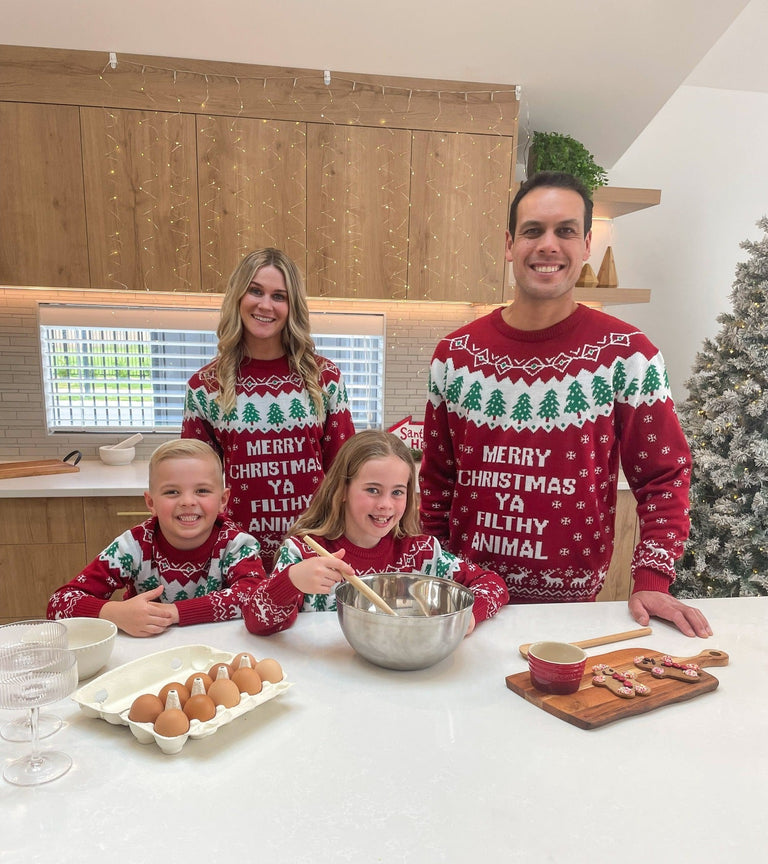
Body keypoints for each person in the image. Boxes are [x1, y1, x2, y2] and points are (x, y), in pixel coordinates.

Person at [419, 171, 712, 639]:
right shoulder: (455, 355)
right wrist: (429, 572)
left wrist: (652, 580)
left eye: (566, 231)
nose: (548, 245)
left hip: (570, 612)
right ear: (510, 244)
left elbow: (664, 474)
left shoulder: (628, 354)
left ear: (587, 244)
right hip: (463, 600)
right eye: (533, 230)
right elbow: (437, 479)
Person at [181, 248, 355, 571]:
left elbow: (344, 475)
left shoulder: (325, 378)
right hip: (237, 557)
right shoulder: (205, 387)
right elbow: (197, 486)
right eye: (256, 291)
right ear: (238, 296)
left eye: (279, 296)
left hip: (314, 551)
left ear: (292, 307)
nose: (265, 305)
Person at [240, 430, 509, 635]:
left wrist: (469, 617)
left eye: (397, 492)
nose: (385, 505)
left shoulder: (421, 552)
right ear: (342, 490)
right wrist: (292, 580)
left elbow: (492, 583)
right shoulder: (303, 553)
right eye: (372, 490)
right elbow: (256, 622)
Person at [47, 439, 267, 637]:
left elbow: (255, 596)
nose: (188, 501)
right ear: (151, 503)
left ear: (223, 499)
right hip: (146, 653)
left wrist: (174, 612)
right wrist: (114, 612)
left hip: (217, 652)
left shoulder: (236, 545)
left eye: (202, 490)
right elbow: (58, 605)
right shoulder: (133, 546)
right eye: (172, 492)